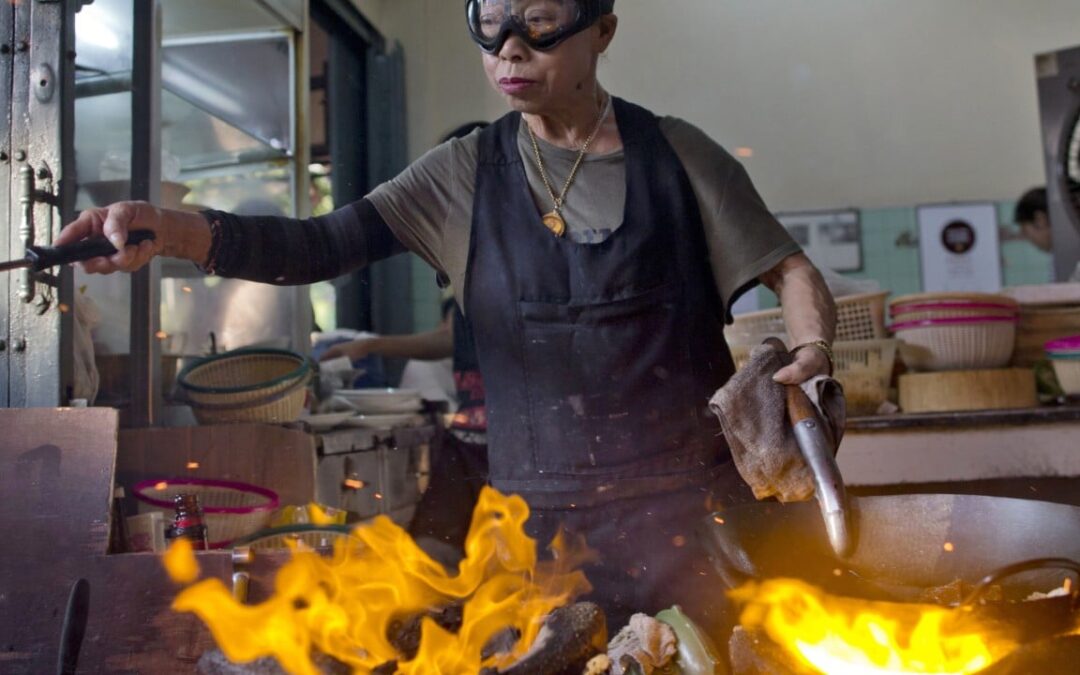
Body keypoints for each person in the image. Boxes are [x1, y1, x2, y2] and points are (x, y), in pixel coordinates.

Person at [56, 0, 836, 638]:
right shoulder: (462, 174)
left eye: (536, 20)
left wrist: (812, 349)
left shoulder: (679, 155)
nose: (508, 47)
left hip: (697, 524)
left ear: (602, 29)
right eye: (489, 20)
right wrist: (169, 227)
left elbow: (791, 270)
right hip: (546, 545)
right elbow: (318, 243)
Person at [321, 122, 493, 565]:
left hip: (516, 443)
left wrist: (374, 345)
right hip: (470, 439)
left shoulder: (520, 243)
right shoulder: (461, 244)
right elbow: (452, 338)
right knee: (432, 557)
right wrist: (371, 346)